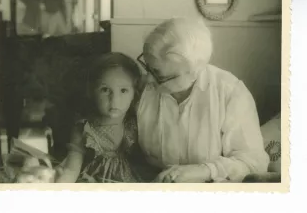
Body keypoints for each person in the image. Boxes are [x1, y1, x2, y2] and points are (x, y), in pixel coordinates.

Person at [136, 17, 270, 183]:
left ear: (195, 71)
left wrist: (205, 171)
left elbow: (254, 163)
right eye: (147, 67)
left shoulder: (230, 92)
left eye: (158, 75)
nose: (148, 80)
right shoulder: (138, 88)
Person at [55, 52, 143, 183]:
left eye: (123, 90)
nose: (114, 100)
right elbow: (71, 169)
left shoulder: (135, 125)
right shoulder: (85, 129)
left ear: (134, 94)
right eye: (105, 90)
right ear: (91, 91)